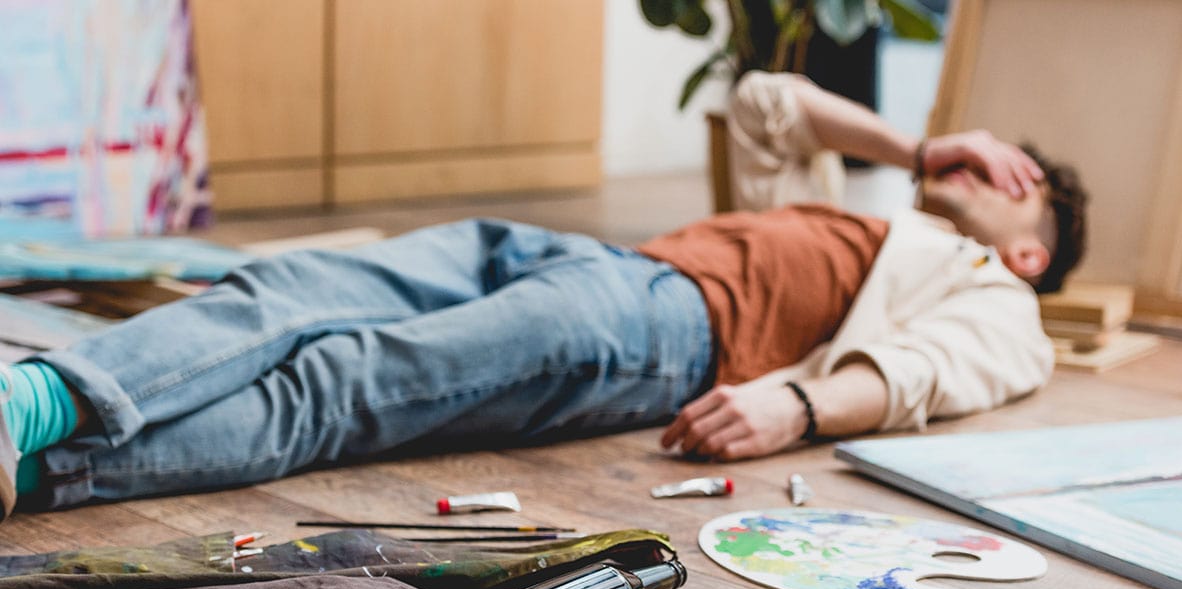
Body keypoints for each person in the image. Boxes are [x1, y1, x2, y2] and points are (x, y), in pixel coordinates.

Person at [0, 72, 1088, 520]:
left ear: (1034, 251)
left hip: (658, 333)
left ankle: (47, 466)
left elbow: (921, 377)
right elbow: (765, 103)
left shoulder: (1005, 308)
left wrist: (797, 409)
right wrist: (928, 144)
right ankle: (31, 403)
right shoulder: (862, 206)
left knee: (345, 384)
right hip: (572, 257)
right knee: (287, 283)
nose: (996, 176)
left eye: (1020, 184)